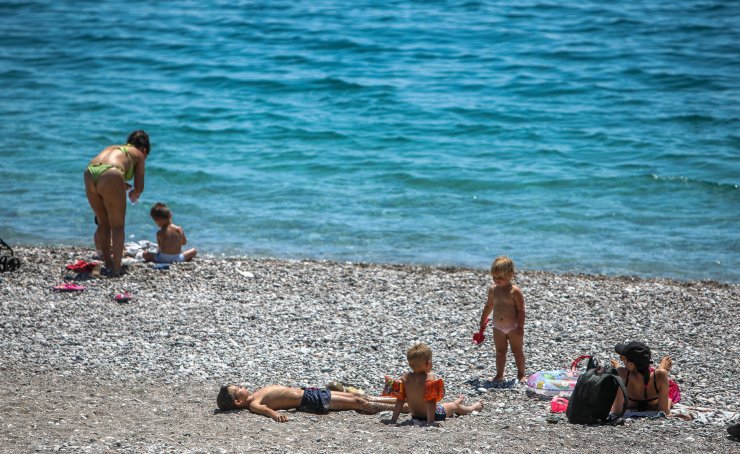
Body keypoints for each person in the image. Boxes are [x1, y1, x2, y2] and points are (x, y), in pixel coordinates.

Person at [84, 130, 150, 276]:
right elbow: (139, 187)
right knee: (117, 226)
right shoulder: (139, 155)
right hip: (111, 174)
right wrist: (134, 193)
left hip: (90, 172)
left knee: (103, 223)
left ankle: (107, 263)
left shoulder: (114, 148)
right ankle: (116, 268)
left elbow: (106, 169)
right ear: (144, 149)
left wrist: (120, 183)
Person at [389, 343, 483, 426]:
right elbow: (431, 402)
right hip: (435, 415)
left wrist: (393, 420)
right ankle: (472, 408)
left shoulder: (405, 378)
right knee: (454, 406)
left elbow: (400, 401)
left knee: (445, 405)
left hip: (415, 416)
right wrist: (430, 422)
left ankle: (457, 401)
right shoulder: (429, 378)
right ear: (428, 364)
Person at [216, 384, 405, 422]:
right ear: (238, 400)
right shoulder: (253, 403)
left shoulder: (256, 393)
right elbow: (265, 410)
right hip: (309, 400)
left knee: (360, 398)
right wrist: (277, 416)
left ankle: (399, 399)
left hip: (309, 392)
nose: (241, 385)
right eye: (237, 388)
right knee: (357, 402)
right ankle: (403, 407)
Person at [477, 256, 526, 382]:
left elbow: (521, 310)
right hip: (497, 327)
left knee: (517, 351)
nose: (496, 280)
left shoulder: (514, 291)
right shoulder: (493, 290)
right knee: (500, 352)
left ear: (511, 274)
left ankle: (521, 374)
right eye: (494, 277)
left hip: (513, 327)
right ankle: (499, 375)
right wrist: (483, 320)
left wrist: (520, 326)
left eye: (500, 277)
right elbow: (489, 305)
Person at [610, 341, 674, 416]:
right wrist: (662, 369)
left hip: (631, 402)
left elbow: (616, 412)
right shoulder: (661, 375)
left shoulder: (622, 373)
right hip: (653, 399)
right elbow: (664, 412)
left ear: (630, 364)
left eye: (622, 358)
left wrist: (618, 369)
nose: (622, 360)